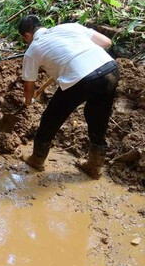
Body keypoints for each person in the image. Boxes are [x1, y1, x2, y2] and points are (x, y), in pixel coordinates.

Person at [19, 15, 119, 179]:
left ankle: (37, 159)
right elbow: (106, 42)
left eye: (25, 40)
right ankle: (94, 167)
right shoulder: (70, 27)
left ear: (27, 35)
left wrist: (28, 101)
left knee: (51, 118)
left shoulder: (33, 49)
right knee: (98, 118)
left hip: (81, 78)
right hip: (110, 69)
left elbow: (29, 84)